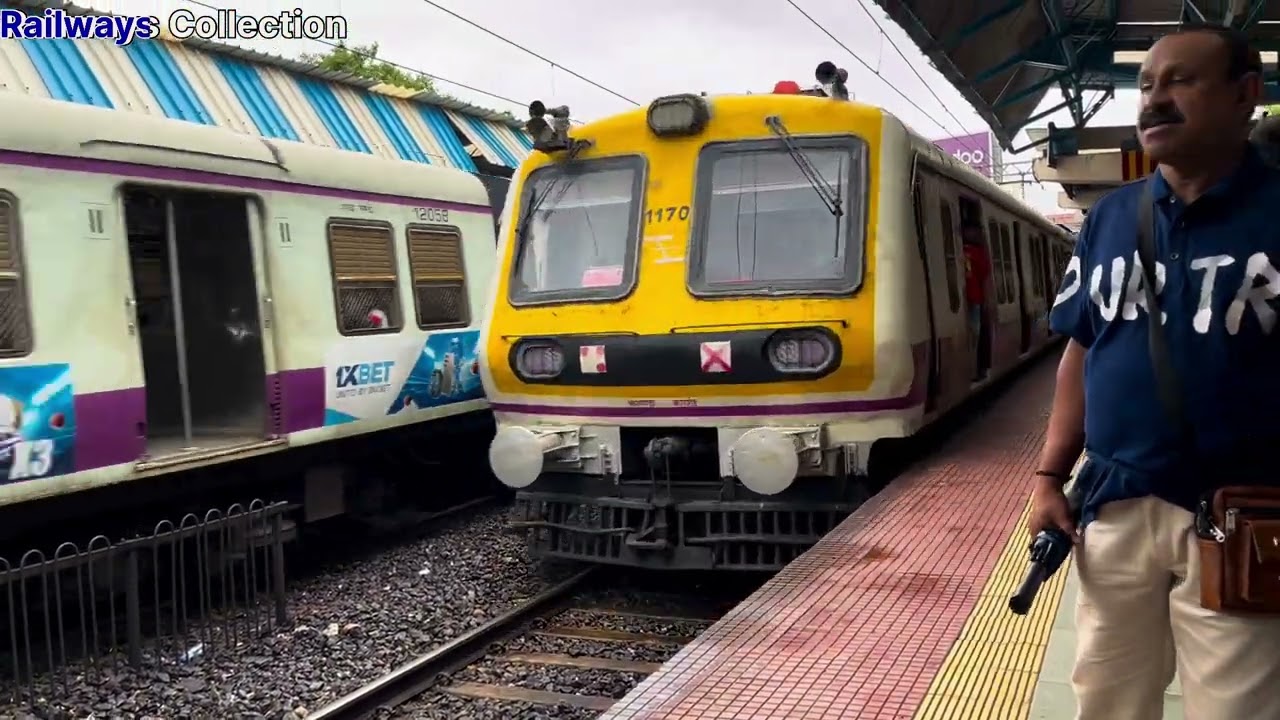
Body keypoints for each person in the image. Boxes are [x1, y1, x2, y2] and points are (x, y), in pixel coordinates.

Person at [1031, 24, 1280, 720]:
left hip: (1243, 513)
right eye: (1145, 85)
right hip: (1113, 505)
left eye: (1181, 81)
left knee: (1237, 708)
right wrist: (1049, 477)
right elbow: (1083, 349)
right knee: (1106, 700)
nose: (1154, 99)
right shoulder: (1110, 218)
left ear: (1245, 94)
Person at [961, 224, 991, 380]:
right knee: (975, 335)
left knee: (973, 335)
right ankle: (976, 369)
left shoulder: (968, 251)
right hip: (974, 299)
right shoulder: (978, 252)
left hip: (971, 299)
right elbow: (985, 276)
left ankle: (973, 369)